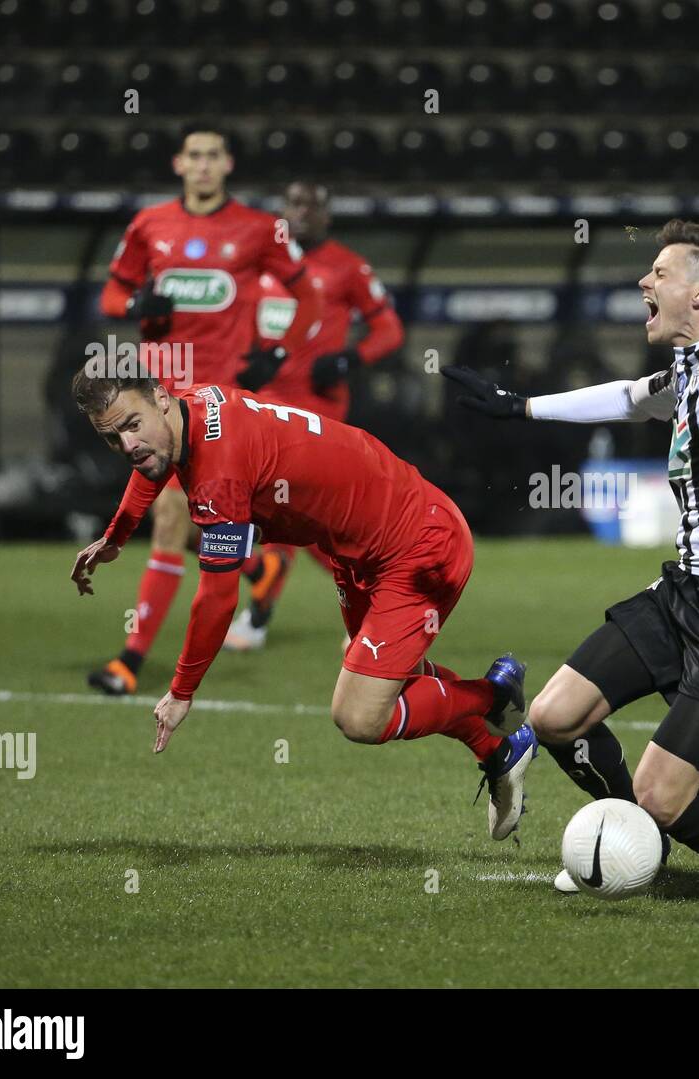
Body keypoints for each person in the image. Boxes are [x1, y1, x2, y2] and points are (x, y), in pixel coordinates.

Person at [444, 220, 699, 898]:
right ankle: (638, 843)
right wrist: (519, 406)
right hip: (683, 594)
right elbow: (623, 398)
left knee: (664, 792)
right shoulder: (687, 368)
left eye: (660, 273)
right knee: (554, 717)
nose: (645, 282)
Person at [67, 369, 536, 841]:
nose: (127, 445)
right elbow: (152, 459)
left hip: (416, 545)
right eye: (112, 438)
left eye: (131, 425)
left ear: (161, 399)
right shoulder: (192, 405)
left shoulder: (220, 474)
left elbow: (216, 599)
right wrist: (117, 535)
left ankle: (496, 696)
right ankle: (498, 752)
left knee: (360, 717)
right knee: (382, 678)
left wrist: (182, 690)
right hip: (360, 548)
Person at [88, 123, 323, 695]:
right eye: (193, 155)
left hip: (214, 407)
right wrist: (137, 302)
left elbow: (308, 296)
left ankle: (129, 662)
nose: (202, 165)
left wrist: (276, 354)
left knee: (168, 521)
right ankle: (256, 567)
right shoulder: (150, 225)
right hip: (155, 401)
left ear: (227, 164)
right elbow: (111, 295)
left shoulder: (258, 229)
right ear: (178, 163)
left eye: (212, 155)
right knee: (188, 521)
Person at [224, 180, 406, 651]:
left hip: (316, 407)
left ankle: (269, 615)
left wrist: (348, 360)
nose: (301, 212)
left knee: (296, 513)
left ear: (328, 215)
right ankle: (373, 599)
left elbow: (388, 330)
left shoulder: (347, 267)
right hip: (263, 404)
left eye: (312, 205)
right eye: (293, 203)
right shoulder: (262, 261)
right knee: (283, 514)